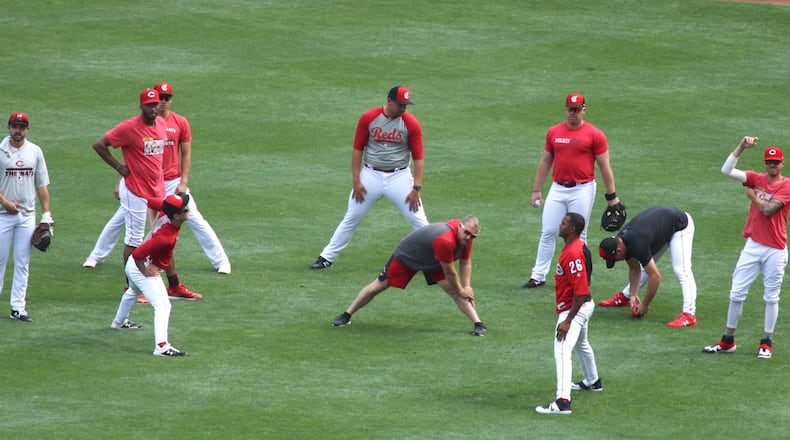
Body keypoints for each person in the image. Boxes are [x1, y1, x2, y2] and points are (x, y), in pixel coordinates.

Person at [310, 85, 429, 269]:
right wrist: (357, 181)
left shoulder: (410, 123)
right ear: (389, 101)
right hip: (371, 175)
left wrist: (416, 188)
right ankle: (326, 257)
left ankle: (436, 261)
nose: (403, 108)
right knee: (352, 216)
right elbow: (358, 149)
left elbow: (419, 159)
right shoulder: (369, 118)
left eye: (406, 105)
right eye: (400, 104)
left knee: (418, 219)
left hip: (399, 177)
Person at [703, 137, 790, 359]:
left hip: (775, 249)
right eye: (769, 162)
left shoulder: (786, 185)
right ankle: (727, 340)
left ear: (782, 164)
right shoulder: (756, 178)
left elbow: (769, 210)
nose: (772, 166)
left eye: (776, 162)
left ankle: (766, 341)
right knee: (736, 292)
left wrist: (754, 197)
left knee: (771, 297)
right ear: (765, 164)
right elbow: (727, 170)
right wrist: (741, 147)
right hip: (753, 245)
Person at [524, 93, 621, 289]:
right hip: (558, 188)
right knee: (549, 231)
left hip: (582, 189)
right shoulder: (554, 132)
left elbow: (604, 166)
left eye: (577, 110)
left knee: (579, 235)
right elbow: (545, 161)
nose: (573, 114)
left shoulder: (595, 134)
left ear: (584, 110)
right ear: (565, 110)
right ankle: (538, 276)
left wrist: (612, 197)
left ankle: (581, 276)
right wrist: (536, 189)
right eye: (570, 109)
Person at [331, 216, 486, 336]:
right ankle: (346, 315)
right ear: (460, 227)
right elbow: (450, 272)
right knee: (379, 286)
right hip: (409, 255)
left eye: (473, 236)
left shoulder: (465, 240)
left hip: (433, 258)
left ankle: (478, 324)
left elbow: (466, 262)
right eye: (466, 233)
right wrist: (461, 290)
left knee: (454, 290)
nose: (468, 238)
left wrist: (467, 286)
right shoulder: (445, 240)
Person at [91, 88, 167, 274]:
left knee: (158, 233)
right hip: (135, 189)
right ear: (141, 106)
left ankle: (148, 272)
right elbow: (99, 145)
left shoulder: (162, 125)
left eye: (155, 104)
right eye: (148, 105)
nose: (152, 109)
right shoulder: (129, 127)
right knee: (134, 239)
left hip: (156, 188)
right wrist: (119, 167)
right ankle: (131, 284)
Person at [535, 213, 600, 415]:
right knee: (581, 344)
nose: (559, 224)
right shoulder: (576, 247)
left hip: (575, 308)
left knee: (562, 350)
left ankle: (563, 402)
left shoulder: (573, 254)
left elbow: (581, 292)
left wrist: (568, 321)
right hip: (581, 305)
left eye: (563, 223)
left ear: (572, 229)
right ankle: (593, 381)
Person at [111, 194, 191, 356]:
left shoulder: (165, 211)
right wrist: (145, 271)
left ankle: (118, 322)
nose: (189, 210)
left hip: (134, 267)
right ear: (176, 216)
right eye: (185, 209)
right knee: (163, 305)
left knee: (132, 292)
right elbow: (138, 254)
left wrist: (153, 221)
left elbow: (150, 201)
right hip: (141, 267)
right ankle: (161, 346)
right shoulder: (165, 238)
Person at [597, 205, 697, 327]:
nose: (616, 261)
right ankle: (627, 297)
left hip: (679, 225)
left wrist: (644, 305)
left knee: (681, 269)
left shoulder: (637, 243)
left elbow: (655, 277)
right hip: (661, 227)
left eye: (615, 259)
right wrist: (633, 295)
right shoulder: (621, 241)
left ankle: (689, 314)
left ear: (618, 251)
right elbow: (634, 268)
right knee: (645, 265)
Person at [0, 112, 53, 322]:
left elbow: (41, 184)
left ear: (27, 129)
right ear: (8, 127)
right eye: (15, 126)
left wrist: (46, 214)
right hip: (3, 215)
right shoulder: (0, 151)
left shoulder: (35, 152)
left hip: (27, 216)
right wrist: (5, 203)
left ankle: (18, 307)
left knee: (23, 262)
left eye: (22, 127)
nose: (18, 131)